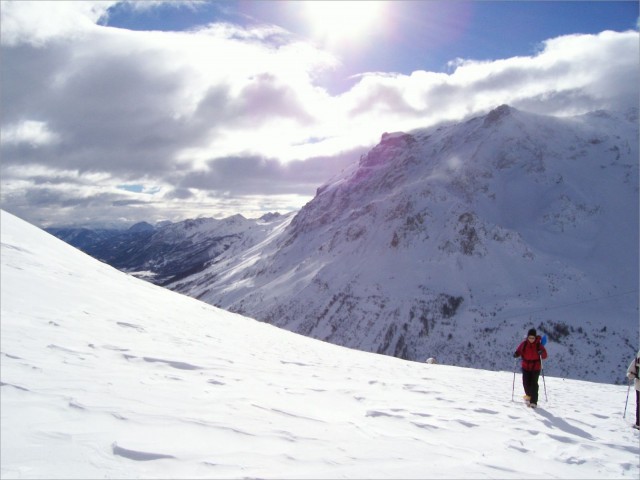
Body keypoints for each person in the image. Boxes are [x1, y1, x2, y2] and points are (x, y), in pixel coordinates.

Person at [513, 328, 548, 408]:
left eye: (533, 338)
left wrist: (541, 352)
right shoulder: (524, 344)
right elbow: (519, 351)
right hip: (525, 366)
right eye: (530, 338)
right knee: (526, 383)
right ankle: (528, 396)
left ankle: (533, 402)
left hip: (535, 367)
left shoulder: (539, 345)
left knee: (534, 384)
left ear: (535, 338)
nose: (531, 339)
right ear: (527, 337)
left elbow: (545, 356)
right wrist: (516, 354)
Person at [626, 350, 640, 430]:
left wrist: (630, 375)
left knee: (639, 405)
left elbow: (629, 371)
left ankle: (638, 424)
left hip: (639, 385)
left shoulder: (637, 360)